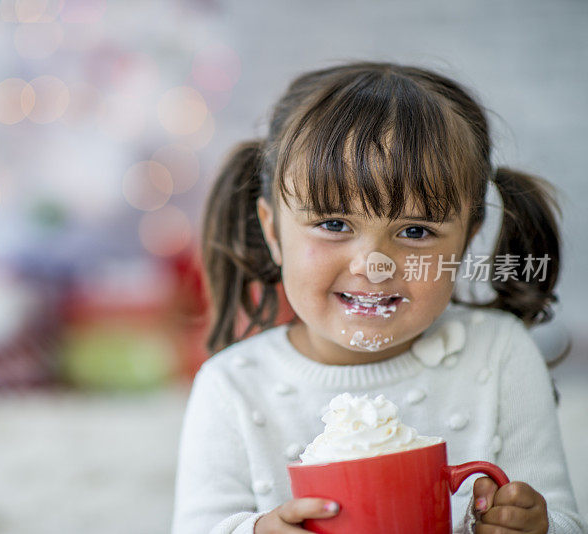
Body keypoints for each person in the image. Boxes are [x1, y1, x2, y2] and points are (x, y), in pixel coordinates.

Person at [171, 62, 587, 534]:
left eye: (415, 231)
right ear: (272, 230)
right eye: (333, 225)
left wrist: (535, 525)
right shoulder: (232, 386)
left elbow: (561, 518)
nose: (374, 264)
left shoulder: (501, 354)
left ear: (467, 238)